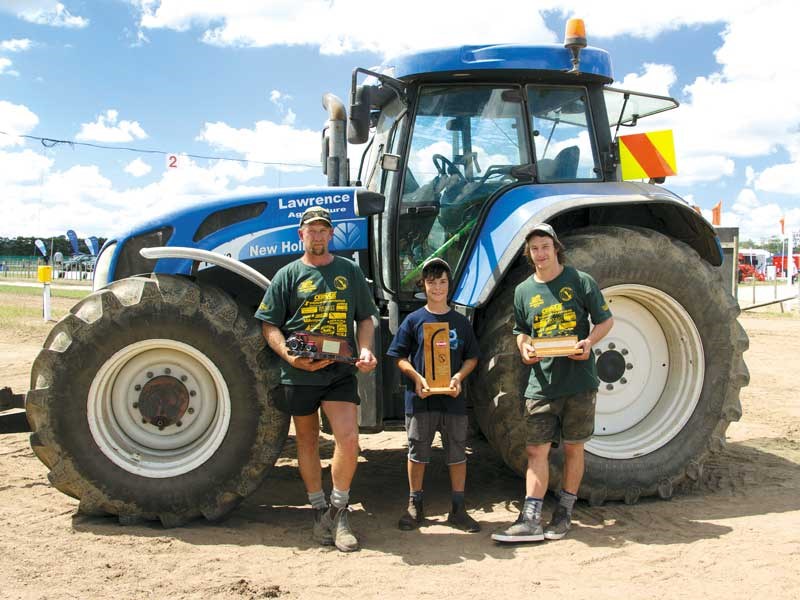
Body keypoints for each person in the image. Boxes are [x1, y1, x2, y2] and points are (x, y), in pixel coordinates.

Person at [255, 206, 378, 553]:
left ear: (331, 234)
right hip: (300, 372)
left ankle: (338, 512)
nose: (318, 235)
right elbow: (269, 325)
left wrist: (365, 350)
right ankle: (318, 508)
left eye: (324, 230)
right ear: (301, 235)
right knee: (307, 442)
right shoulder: (287, 275)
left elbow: (365, 318)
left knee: (348, 439)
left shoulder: (349, 272)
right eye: (312, 230)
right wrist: (291, 357)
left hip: (339, 371)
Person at [492, 223, 614, 543]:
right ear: (528, 253)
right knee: (536, 449)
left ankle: (564, 513)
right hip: (542, 382)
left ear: (555, 248)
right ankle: (531, 518)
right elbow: (521, 330)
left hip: (578, 380)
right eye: (534, 249)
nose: (540, 253)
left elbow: (605, 320)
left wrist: (588, 342)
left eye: (545, 246)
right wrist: (524, 347)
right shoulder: (523, 291)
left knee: (574, 447)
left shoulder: (580, 281)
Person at [386, 257, 481, 533]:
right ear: (423, 285)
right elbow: (399, 356)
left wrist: (458, 377)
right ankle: (415, 505)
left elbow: (472, 357)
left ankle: (459, 509)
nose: (437, 287)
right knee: (417, 452)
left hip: (452, 399)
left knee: (457, 453)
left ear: (449, 285)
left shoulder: (460, 323)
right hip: (420, 399)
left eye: (442, 282)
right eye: (431, 282)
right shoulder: (413, 320)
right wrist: (416, 378)